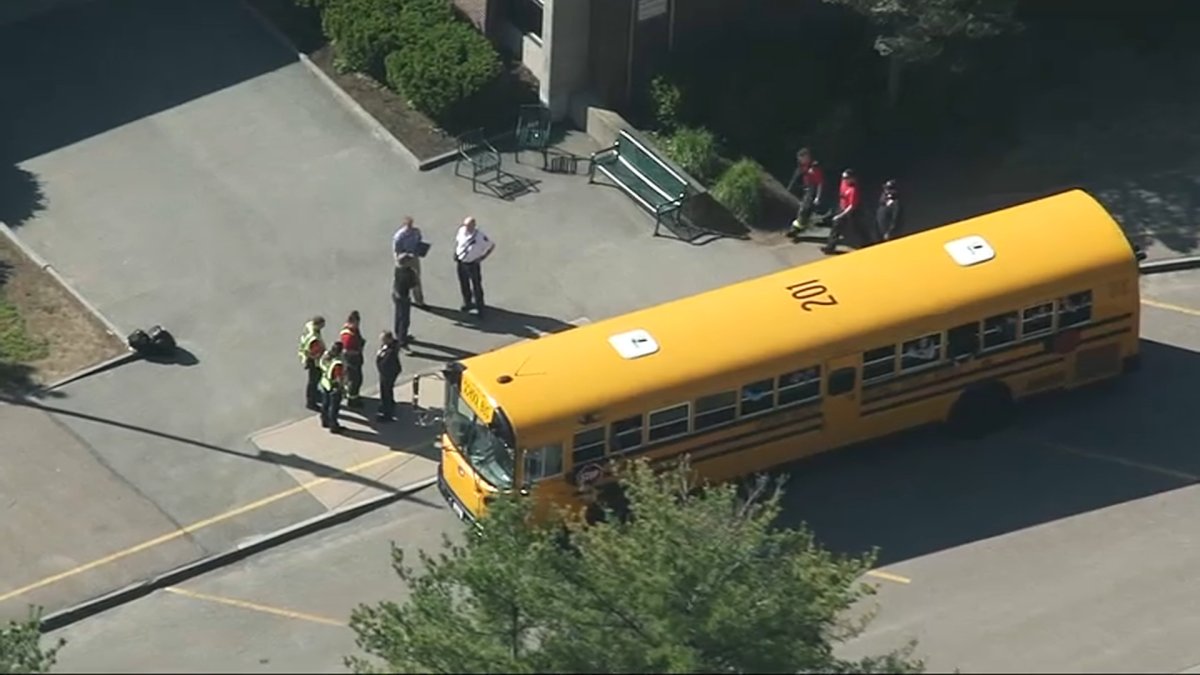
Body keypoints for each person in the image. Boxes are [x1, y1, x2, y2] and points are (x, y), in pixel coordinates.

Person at [454, 216, 496, 315]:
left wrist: (482, 258)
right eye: (465, 225)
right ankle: (467, 302)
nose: (466, 228)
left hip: (473, 264)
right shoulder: (461, 231)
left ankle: (480, 307)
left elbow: (491, 246)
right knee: (464, 283)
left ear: (474, 225)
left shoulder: (480, 236)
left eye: (469, 226)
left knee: (476, 286)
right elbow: (459, 243)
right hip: (461, 262)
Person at [786, 148, 825, 235]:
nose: (800, 161)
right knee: (802, 209)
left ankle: (796, 228)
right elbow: (796, 178)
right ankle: (799, 227)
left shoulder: (814, 167)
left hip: (811, 189)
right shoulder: (801, 167)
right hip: (803, 188)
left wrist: (818, 197)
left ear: (807, 157)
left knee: (804, 209)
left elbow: (820, 183)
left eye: (801, 158)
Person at [824, 169, 862, 255]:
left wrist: (840, 215)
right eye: (843, 177)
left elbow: (851, 206)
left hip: (849, 211)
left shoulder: (853, 190)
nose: (844, 179)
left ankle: (861, 244)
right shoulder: (844, 182)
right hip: (841, 206)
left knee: (853, 228)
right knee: (836, 229)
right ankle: (830, 247)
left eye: (846, 178)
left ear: (852, 178)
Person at [392, 216, 426, 307]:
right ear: (404, 225)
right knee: (402, 281)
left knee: (416, 279)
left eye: (411, 224)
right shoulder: (399, 236)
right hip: (403, 260)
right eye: (408, 225)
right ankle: (398, 295)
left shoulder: (416, 232)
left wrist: (421, 250)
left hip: (413, 258)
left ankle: (419, 301)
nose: (411, 227)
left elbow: (419, 241)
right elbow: (397, 252)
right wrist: (405, 256)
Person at [296, 315, 326, 411]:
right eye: (322, 325)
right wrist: (322, 357)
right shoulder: (314, 338)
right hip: (314, 361)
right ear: (317, 325)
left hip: (310, 358)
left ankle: (315, 395)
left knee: (314, 381)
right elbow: (314, 352)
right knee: (313, 381)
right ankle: (311, 402)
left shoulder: (309, 327)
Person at [339, 310, 366, 409]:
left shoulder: (353, 330)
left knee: (354, 379)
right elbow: (347, 350)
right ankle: (352, 400)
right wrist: (359, 350)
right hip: (351, 360)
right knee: (355, 380)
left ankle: (352, 395)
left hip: (354, 358)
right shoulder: (348, 336)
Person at [319, 342, 347, 433]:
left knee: (325, 403)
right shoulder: (337, 363)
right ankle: (333, 426)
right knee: (334, 407)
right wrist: (341, 387)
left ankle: (324, 420)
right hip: (334, 386)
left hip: (325, 382)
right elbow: (339, 377)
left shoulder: (326, 356)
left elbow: (321, 365)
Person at [375, 331, 402, 422]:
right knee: (387, 389)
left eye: (383, 340)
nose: (382, 342)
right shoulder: (389, 346)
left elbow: (384, 363)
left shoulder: (390, 352)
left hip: (388, 373)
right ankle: (388, 404)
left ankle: (387, 413)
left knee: (385, 390)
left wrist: (379, 356)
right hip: (387, 372)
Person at [393, 264, 417, 349]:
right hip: (404, 297)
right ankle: (402, 340)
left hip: (396, 295)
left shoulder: (398, 269)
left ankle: (398, 334)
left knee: (398, 317)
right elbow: (413, 284)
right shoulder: (409, 272)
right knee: (404, 319)